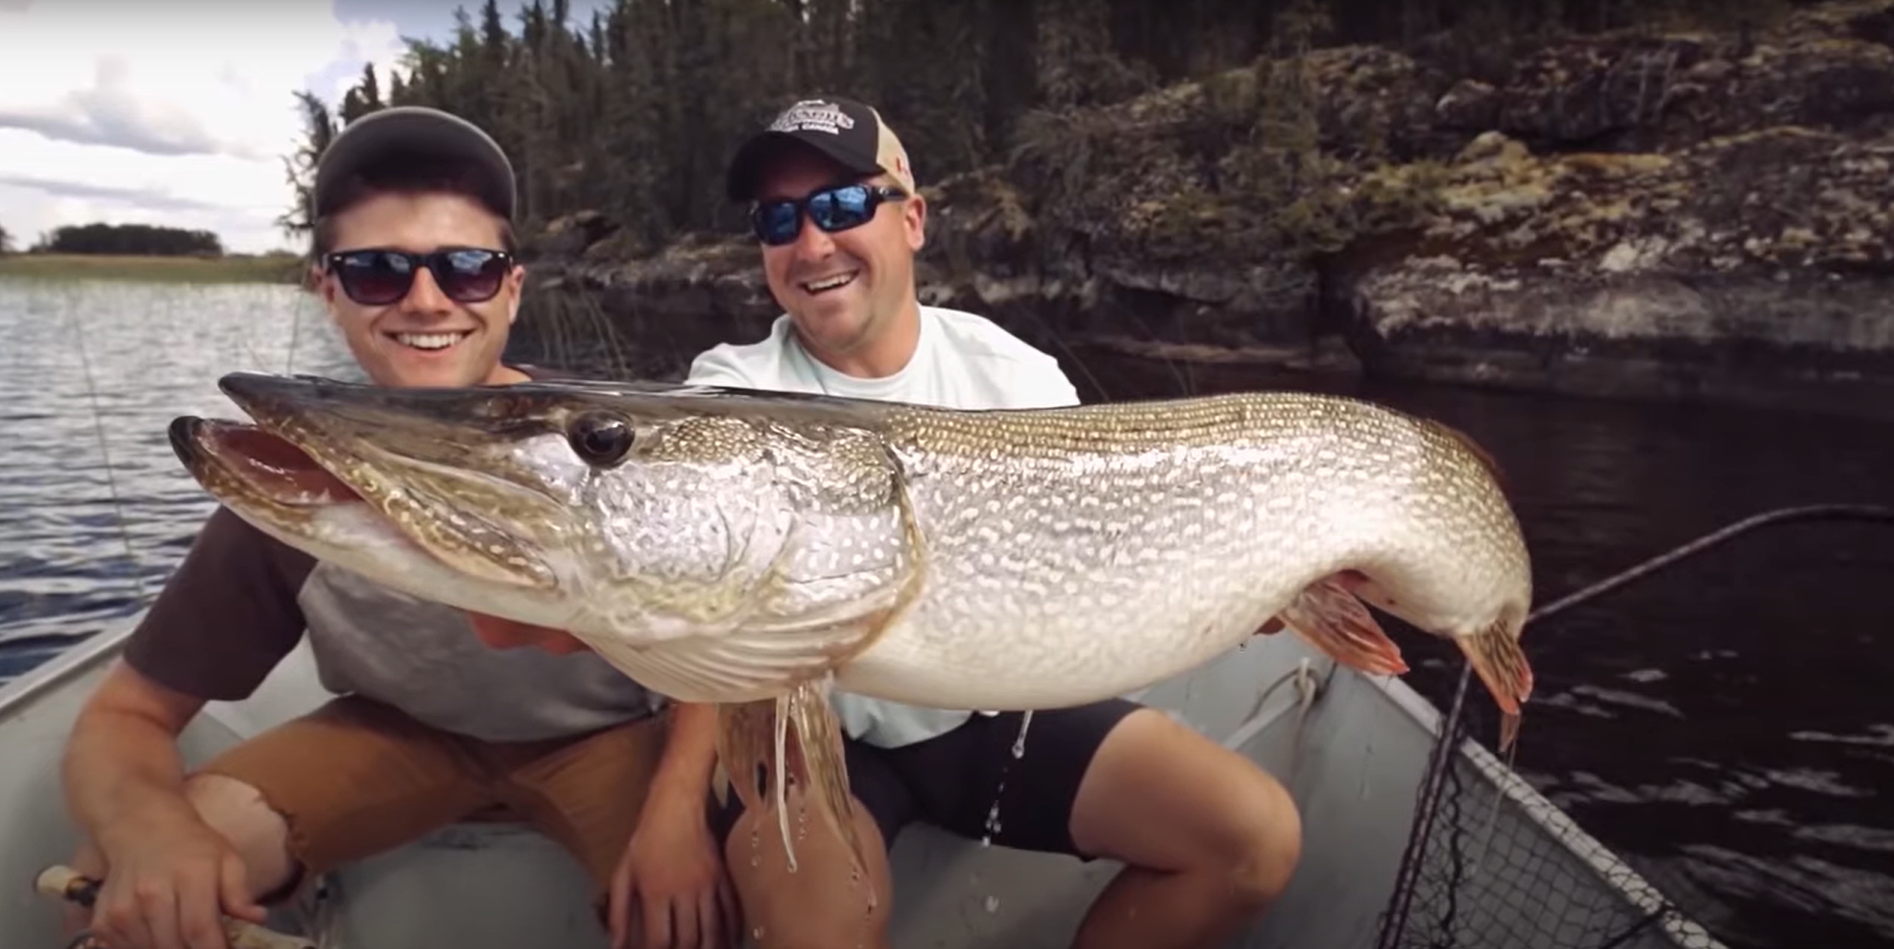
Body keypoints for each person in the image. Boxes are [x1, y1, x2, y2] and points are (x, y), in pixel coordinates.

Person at [57, 106, 734, 949]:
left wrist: (675, 816)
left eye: (467, 268)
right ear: (327, 289)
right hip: (391, 734)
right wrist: (147, 833)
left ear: (512, 287)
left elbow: (726, 638)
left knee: (712, 906)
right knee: (133, 883)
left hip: (610, 740)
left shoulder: (602, 447)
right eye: (378, 271)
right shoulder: (292, 483)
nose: (426, 300)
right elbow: (122, 718)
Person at [681, 95, 1305, 949]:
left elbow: (1099, 571)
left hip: (993, 709)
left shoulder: (1018, 378)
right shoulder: (723, 394)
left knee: (1253, 838)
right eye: (778, 219)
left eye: (842, 205)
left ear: (913, 220)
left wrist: (1245, 590)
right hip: (817, 729)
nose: (813, 242)